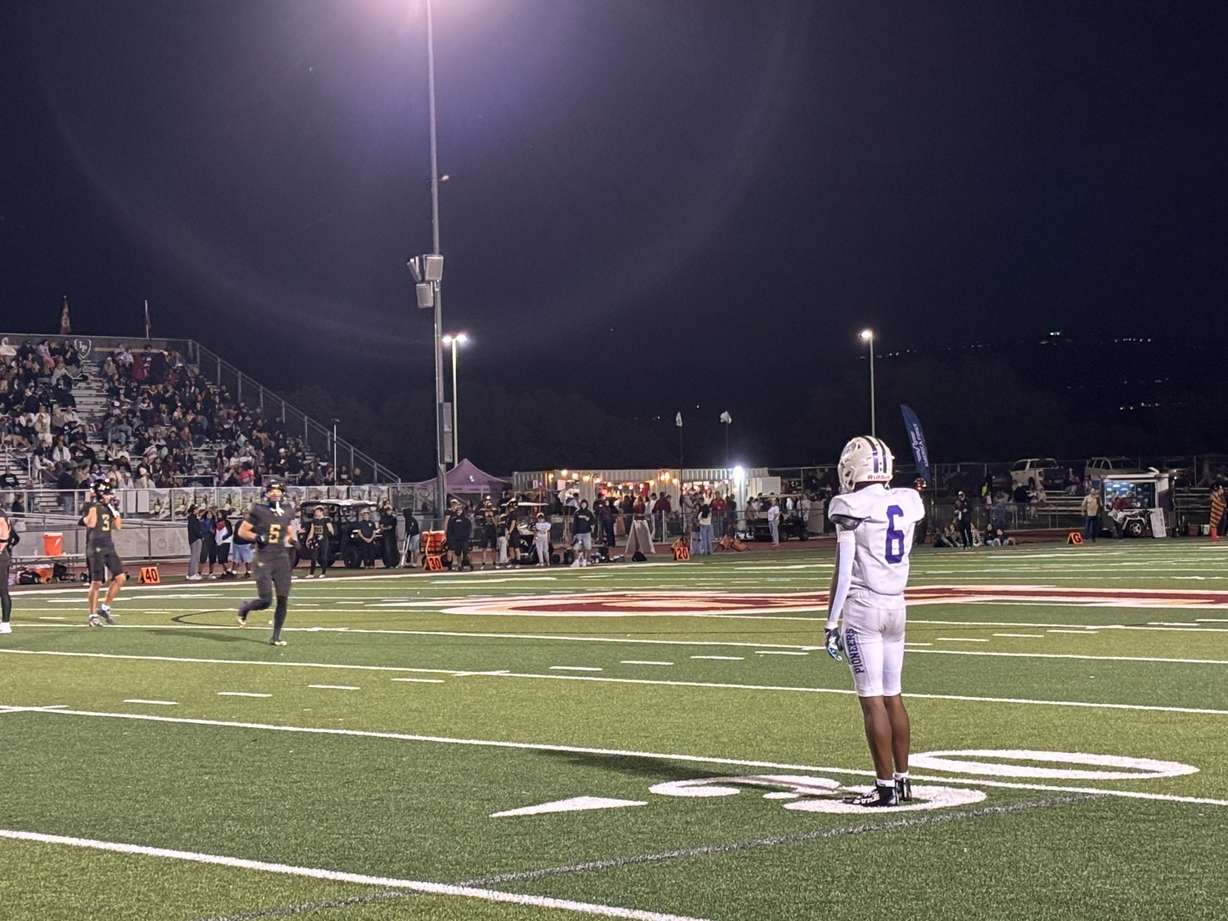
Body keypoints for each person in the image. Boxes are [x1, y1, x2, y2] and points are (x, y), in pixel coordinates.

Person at [823, 435, 925, 808]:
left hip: (864, 608)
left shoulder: (849, 505)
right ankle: (903, 780)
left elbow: (844, 569)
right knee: (893, 695)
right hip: (897, 604)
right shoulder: (908, 500)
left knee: (872, 702)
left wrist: (831, 622)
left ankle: (884, 788)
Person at [236, 480, 298, 646]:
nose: (275, 493)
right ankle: (245, 607)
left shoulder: (288, 510)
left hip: (281, 558)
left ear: (283, 493)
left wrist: (293, 540)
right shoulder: (258, 510)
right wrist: (256, 537)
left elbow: (289, 531)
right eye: (271, 491)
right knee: (266, 601)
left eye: (278, 490)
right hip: (263, 557)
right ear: (266, 493)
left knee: (283, 599)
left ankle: (275, 637)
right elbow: (242, 531)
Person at [82, 481, 127, 626]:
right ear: (101, 494)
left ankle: (105, 607)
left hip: (108, 546)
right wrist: (90, 512)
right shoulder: (93, 506)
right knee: (97, 582)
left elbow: (118, 526)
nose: (110, 496)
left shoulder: (108, 507)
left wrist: (116, 511)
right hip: (96, 547)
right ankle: (92, 614)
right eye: (107, 493)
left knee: (120, 578)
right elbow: (91, 523)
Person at [304, 506, 335, 578]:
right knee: (313, 556)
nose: (316, 513)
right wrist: (308, 539)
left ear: (321, 512)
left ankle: (323, 572)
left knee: (323, 556)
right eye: (315, 511)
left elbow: (331, 531)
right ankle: (311, 573)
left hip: (323, 540)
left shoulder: (326, 520)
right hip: (315, 540)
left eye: (317, 511)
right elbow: (312, 531)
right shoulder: (314, 521)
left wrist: (324, 535)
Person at [0, 506, 15, 634]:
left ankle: (5, 623)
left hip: (1, 557)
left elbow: (4, 539)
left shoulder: (1, 517)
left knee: (2, 590)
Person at [446, 503, 473, 571]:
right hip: (456, 539)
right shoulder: (453, 519)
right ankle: (459, 566)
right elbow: (450, 529)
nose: (459, 511)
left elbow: (469, 528)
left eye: (460, 510)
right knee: (458, 554)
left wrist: (468, 536)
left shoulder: (466, 519)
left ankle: (470, 564)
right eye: (457, 510)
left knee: (466, 552)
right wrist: (452, 537)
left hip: (464, 539)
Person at [571, 499, 595, 566]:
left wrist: (588, 520)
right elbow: (574, 524)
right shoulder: (577, 512)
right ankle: (576, 561)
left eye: (585, 504)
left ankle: (585, 560)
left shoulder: (589, 513)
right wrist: (574, 533)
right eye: (582, 504)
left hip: (587, 532)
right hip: (579, 533)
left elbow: (593, 522)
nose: (583, 505)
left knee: (587, 547)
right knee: (576, 547)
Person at [186, 504, 205, 580]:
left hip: (194, 538)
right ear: (194, 510)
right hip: (195, 539)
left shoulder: (193, 518)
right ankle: (192, 574)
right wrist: (201, 536)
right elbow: (195, 529)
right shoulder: (192, 519)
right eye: (196, 509)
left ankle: (191, 573)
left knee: (195, 556)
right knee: (195, 556)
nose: (198, 511)